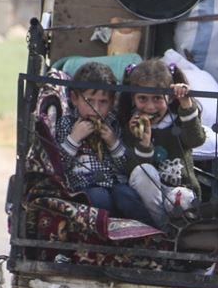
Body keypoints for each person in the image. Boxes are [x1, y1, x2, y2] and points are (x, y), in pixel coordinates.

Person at [54, 62, 153, 226]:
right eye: (89, 101)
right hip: (85, 190)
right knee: (99, 196)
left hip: (115, 186)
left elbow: (126, 167)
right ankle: (107, 232)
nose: (96, 109)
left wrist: (113, 142)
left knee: (126, 194)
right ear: (74, 99)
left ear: (112, 102)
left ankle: (151, 232)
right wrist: (74, 139)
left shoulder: (114, 124)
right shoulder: (67, 124)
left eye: (103, 102)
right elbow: (59, 166)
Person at [119, 60, 208, 228]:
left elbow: (196, 140)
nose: (150, 107)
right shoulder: (132, 124)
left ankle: (177, 231)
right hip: (148, 194)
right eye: (142, 98)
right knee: (144, 172)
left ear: (171, 97)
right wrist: (144, 143)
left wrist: (186, 105)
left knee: (181, 199)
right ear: (133, 98)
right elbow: (132, 169)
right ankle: (161, 228)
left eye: (158, 98)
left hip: (178, 188)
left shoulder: (178, 119)